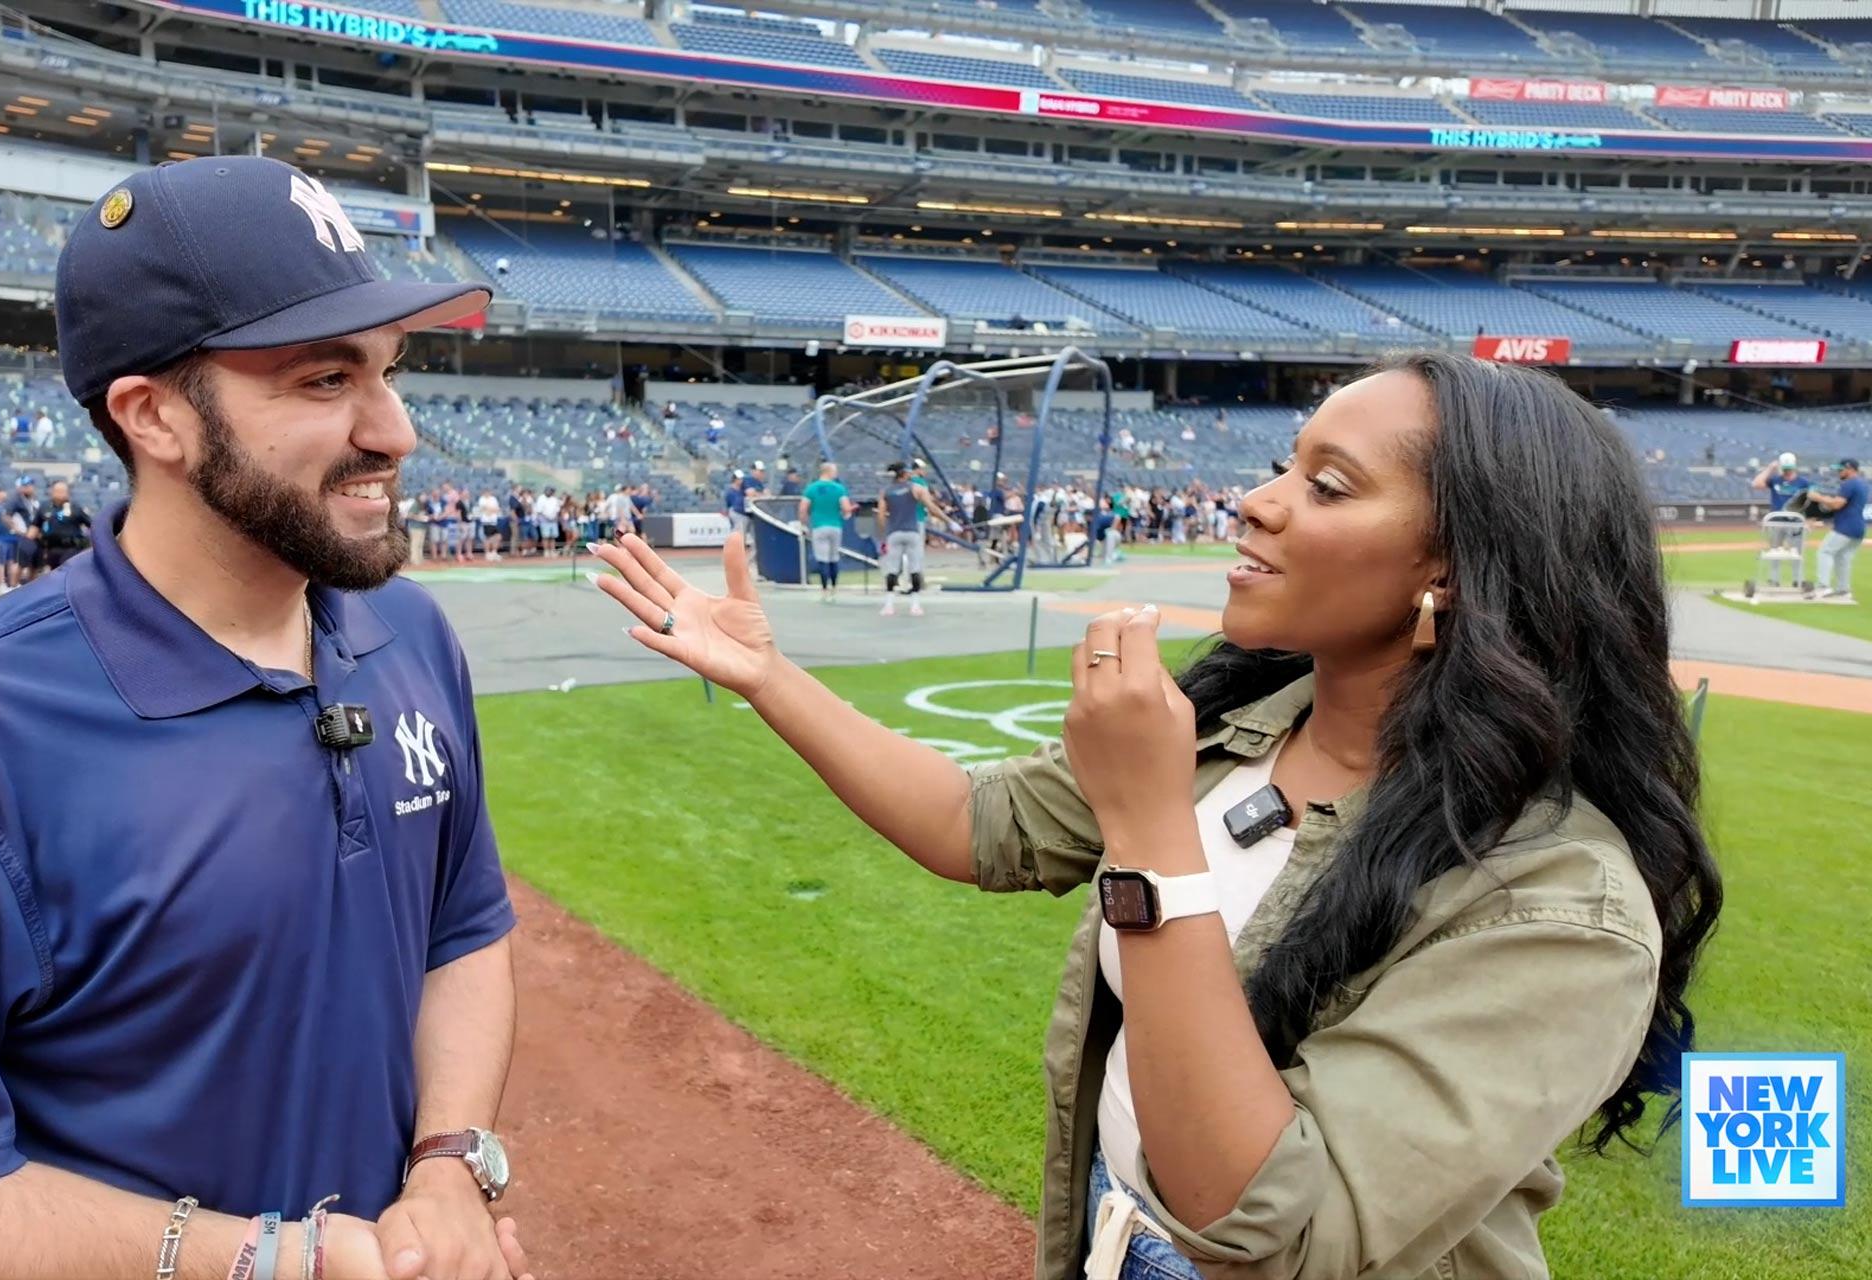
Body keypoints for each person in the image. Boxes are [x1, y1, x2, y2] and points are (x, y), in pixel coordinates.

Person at [591, 353, 1720, 1280]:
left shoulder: (1556, 897)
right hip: (1113, 1238)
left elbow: (1271, 1221)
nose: (1257, 498)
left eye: (1328, 486)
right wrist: (768, 674)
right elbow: (974, 821)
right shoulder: (1233, 725)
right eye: (1286, 461)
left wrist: (1148, 835)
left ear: (1460, 570)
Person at [0, 156, 533, 1280]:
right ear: (154, 415)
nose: (396, 429)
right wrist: (272, 1259)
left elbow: (462, 933)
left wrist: (451, 1161)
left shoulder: (407, 631)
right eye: (326, 380)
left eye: (389, 370)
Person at [877, 462, 949, 617]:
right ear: (904, 474)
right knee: (915, 568)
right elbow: (932, 508)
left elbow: (881, 516)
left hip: (894, 533)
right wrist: (949, 521)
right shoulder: (916, 489)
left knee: (892, 569)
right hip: (912, 532)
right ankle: (915, 605)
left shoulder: (886, 492)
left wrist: (885, 534)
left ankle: (889, 605)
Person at [1807, 457, 1866, 603]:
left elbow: (1837, 505)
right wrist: (1829, 500)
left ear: (1849, 468)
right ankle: (1843, 590)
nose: (1838, 472)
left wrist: (1819, 497)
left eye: (1841, 469)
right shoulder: (1862, 484)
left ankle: (1823, 586)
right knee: (1843, 557)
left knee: (1825, 551)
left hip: (1846, 526)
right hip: (1858, 527)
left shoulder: (1849, 484)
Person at [1751, 452, 1812, 587]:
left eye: (1789, 468)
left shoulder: (1803, 483)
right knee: (1774, 552)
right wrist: (1770, 468)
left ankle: (1798, 580)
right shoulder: (1775, 480)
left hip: (1795, 523)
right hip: (1776, 521)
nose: (1787, 471)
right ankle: (1774, 580)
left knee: (1797, 553)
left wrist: (1809, 520)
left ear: (1794, 467)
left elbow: (1810, 502)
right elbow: (1756, 484)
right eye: (1785, 468)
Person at [798, 461, 854, 601]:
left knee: (822, 558)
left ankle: (824, 589)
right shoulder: (839, 489)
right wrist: (847, 512)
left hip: (819, 526)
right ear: (828, 471)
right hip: (835, 526)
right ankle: (834, 588)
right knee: (834, 557)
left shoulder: (811, 488)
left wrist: (803, 524)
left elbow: (803, 508)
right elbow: (846, 508)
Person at [37, 480, 92, 572]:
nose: (59, 494)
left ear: (68, 493)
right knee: (54, 575)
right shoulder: (44, 507)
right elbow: (35, 527)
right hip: (51, 549)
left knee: (65, 571)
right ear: (52, 492)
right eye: (57, 491)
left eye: (62, 491)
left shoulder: (76, 508)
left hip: (70, 548)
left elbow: (91, 524)